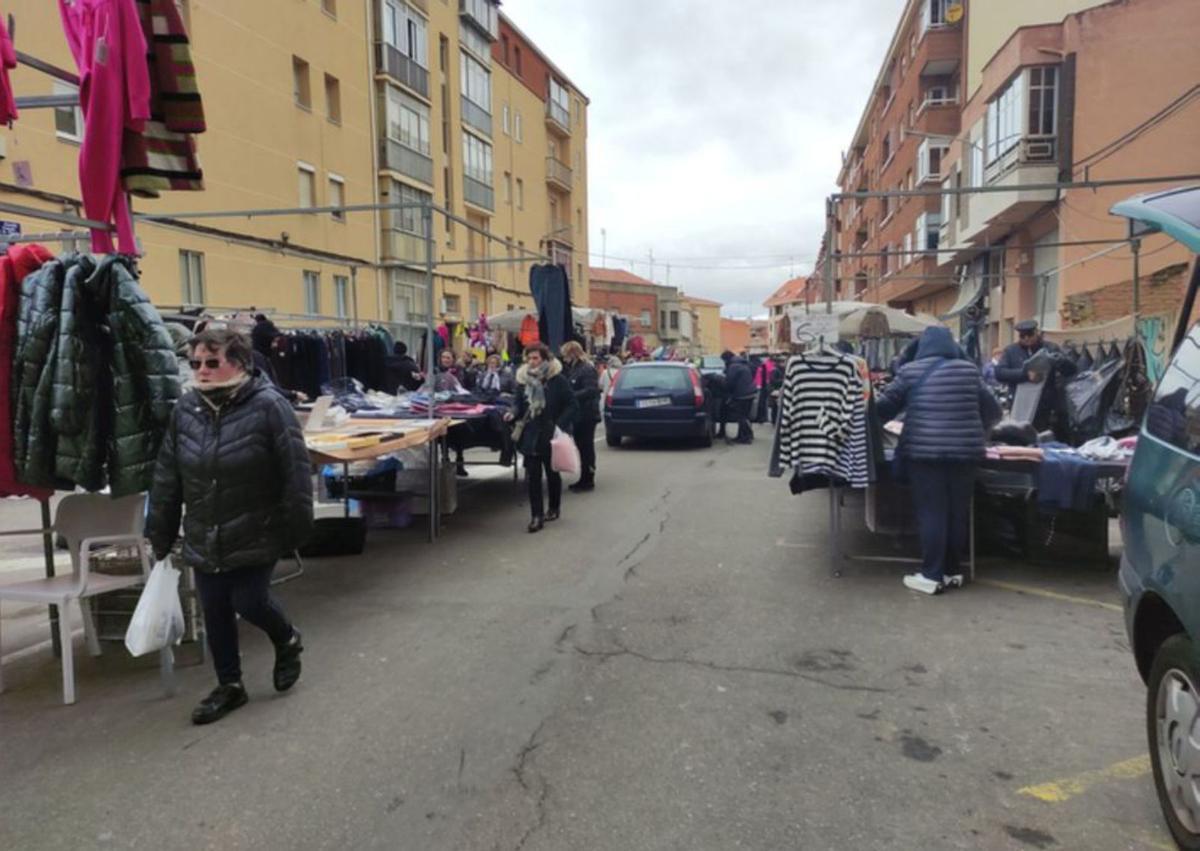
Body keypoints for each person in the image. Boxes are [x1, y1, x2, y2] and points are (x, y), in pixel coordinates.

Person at [145, 328, 313, 724]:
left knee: (249, 600)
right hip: (204, 527)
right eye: (196, 363)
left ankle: (287, 638)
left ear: (239, 363)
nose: (201, 370)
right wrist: (160, 532)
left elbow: (295, 470)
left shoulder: (269, 405)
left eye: (212, 362)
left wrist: (296, 528)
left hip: (258, 525)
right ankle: (229, 685)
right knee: (215, 608)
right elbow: (167, 475)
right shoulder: (186, 409)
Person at [876, 326, 1002, 596]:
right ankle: (952, 571)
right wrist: (975, 427)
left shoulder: (911, 371)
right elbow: (994, 410)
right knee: (957, 512)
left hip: (926, 454)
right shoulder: (969, 371)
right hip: (966, 454)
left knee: (932, 512)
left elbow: (884, 408)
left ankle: (931, 575)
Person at [505, 343, 578, 532]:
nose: (532, 362)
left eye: (535, 358)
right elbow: (518, 403)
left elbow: (572, 405)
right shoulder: (523, 380)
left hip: (550, 432)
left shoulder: (557, 380)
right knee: (533, 476)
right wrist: (512, 413)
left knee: (552, 472)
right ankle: (536, 516)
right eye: (529, 358)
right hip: (531, 433)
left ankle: (553, 507)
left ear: (545, 359)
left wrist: (558, 426)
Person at [993, 320, 1077, 437]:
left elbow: (1071, 371)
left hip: (1046, 406)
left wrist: (1061, 361)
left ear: (1036, 333)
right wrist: (1025, 375)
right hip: (1020, 404)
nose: (1026, 338)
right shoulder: (1011, 351)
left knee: (1045, 437)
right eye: (1022, 336)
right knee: (1021, 437)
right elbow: (1000, 373)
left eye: (1030, 334)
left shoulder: (1051, 348)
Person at [561, 341, 600, 492]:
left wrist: (570, 396)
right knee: (581, 446)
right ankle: (584, 477)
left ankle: (588, 479)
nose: (564, 359)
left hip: (587, 414)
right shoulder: (575, 369)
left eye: (565, 355)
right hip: (579, 414)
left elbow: (591, 390)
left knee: (586, 447)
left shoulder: (586, 369)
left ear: (572, 353)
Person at [721, 350, 756, 444]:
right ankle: (744, 436)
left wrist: (725, 386)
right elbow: (753, 371)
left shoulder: (733, 366)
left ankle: (746, 438)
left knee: (741, 417)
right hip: (750, 392)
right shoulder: (743, 363)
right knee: (745, 416)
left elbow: (730, 382)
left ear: (726, 359)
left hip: (741, 394)